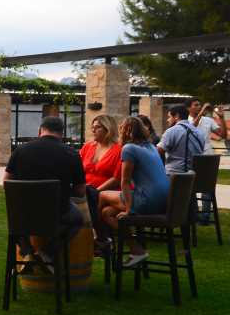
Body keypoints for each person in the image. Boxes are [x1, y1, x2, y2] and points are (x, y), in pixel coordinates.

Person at [4, 116, 86, 269]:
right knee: (77, 220)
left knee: (13, 218)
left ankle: (27, 252)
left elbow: (7, 182)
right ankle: (47, 252)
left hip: (24, 214)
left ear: (40, 130)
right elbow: (81, 191)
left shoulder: (21, 150)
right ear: (62, 133)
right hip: (56, 214)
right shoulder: (72, 153)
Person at [99, 117, 170, 267]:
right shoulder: (150, 146)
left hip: (147, 201)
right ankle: (136, 250)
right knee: (107, 213)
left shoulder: (129, 149)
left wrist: (129, 210)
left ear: (125, 131)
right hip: (163, 201)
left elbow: (124, 181)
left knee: (101, 195)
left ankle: (98, 239)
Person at [79, 115, 122, 244]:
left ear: (107, 129)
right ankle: (92, 238)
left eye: (97, 127)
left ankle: (95, 238)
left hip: (108, 191)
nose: (93, 130)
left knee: (91, 204)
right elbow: (78, 169)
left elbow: (117, 178)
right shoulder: (88, 147)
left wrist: (95, 191)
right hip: (86, 190)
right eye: (92, 127)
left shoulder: (119, 149)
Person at [187, 98, 224, 224]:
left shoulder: (208, 120)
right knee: (191, 188)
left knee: (206, 188)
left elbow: (222, 134)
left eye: (199, 105)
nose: (198, 106)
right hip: (192, 157)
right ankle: (194, 215)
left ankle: (205, 217)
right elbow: (193, 127)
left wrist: (222, 118)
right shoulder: (186, 121)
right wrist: (202, 110)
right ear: (189, 108)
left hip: (207, 156)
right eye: (196, 105)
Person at [157, 105, 206, 174]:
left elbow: (157, 152)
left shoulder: (171, 131)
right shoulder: (199, 133)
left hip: (174, 175)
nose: (168, 120)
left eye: (169, 117)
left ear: (176, 116)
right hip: (195, 175)